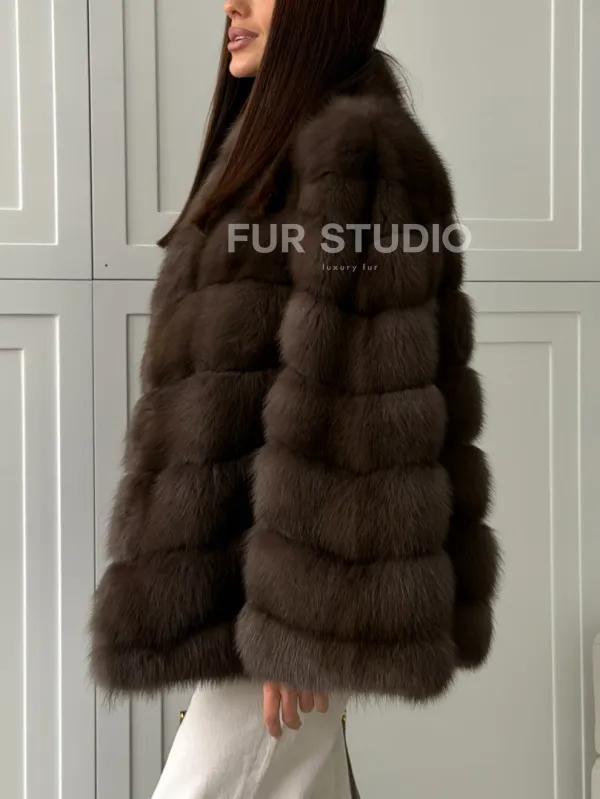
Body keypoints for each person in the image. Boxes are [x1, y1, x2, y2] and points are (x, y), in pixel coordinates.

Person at [88, 0, 501, 796]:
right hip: (250, 595)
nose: (232, 5)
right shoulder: (271, 151)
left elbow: (359, 399)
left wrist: (306, 619)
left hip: (289, 610)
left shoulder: (355, 154)